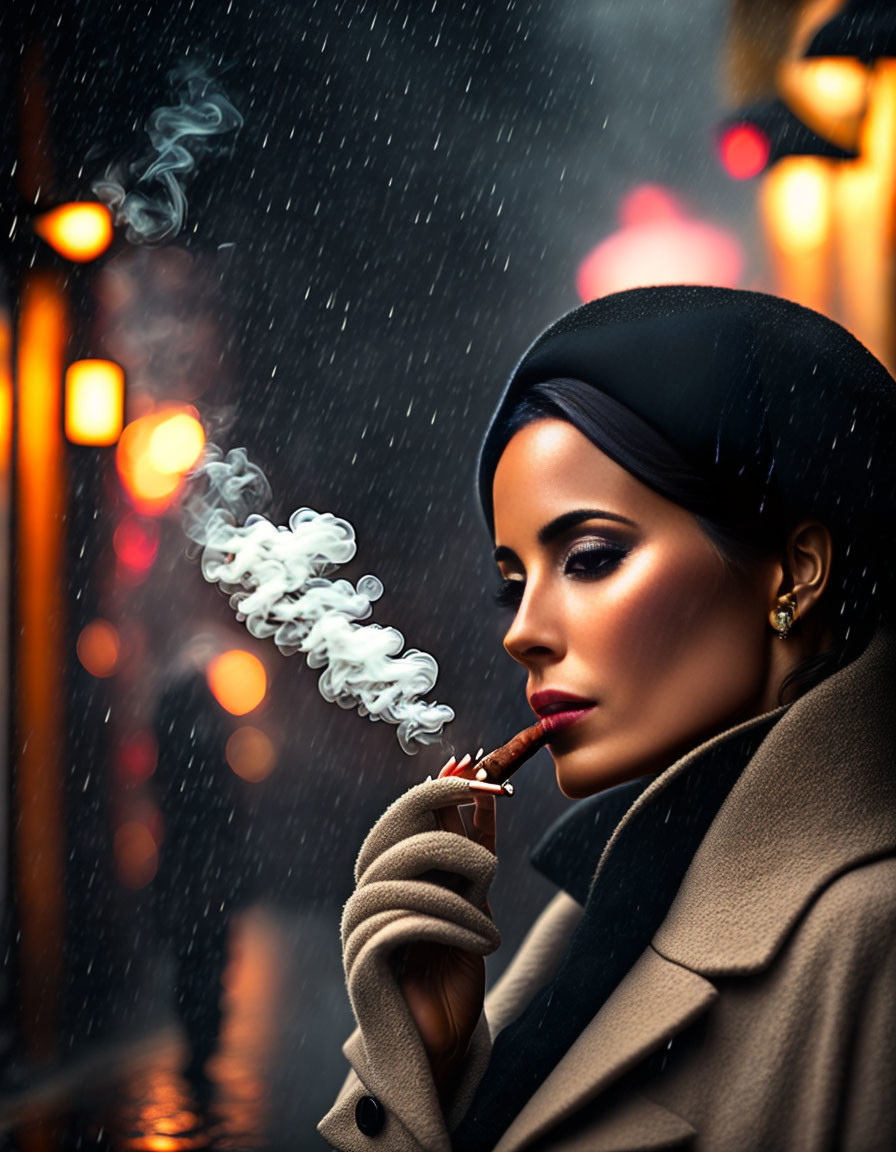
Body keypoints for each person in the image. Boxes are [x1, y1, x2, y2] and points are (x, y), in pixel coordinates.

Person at [318, 286, 896, 1151]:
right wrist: (428, 1062)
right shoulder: (605, 903)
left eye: (590, 558)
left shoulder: (871, 936)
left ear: (794, 571)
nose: (522, 632)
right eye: (514, 584)